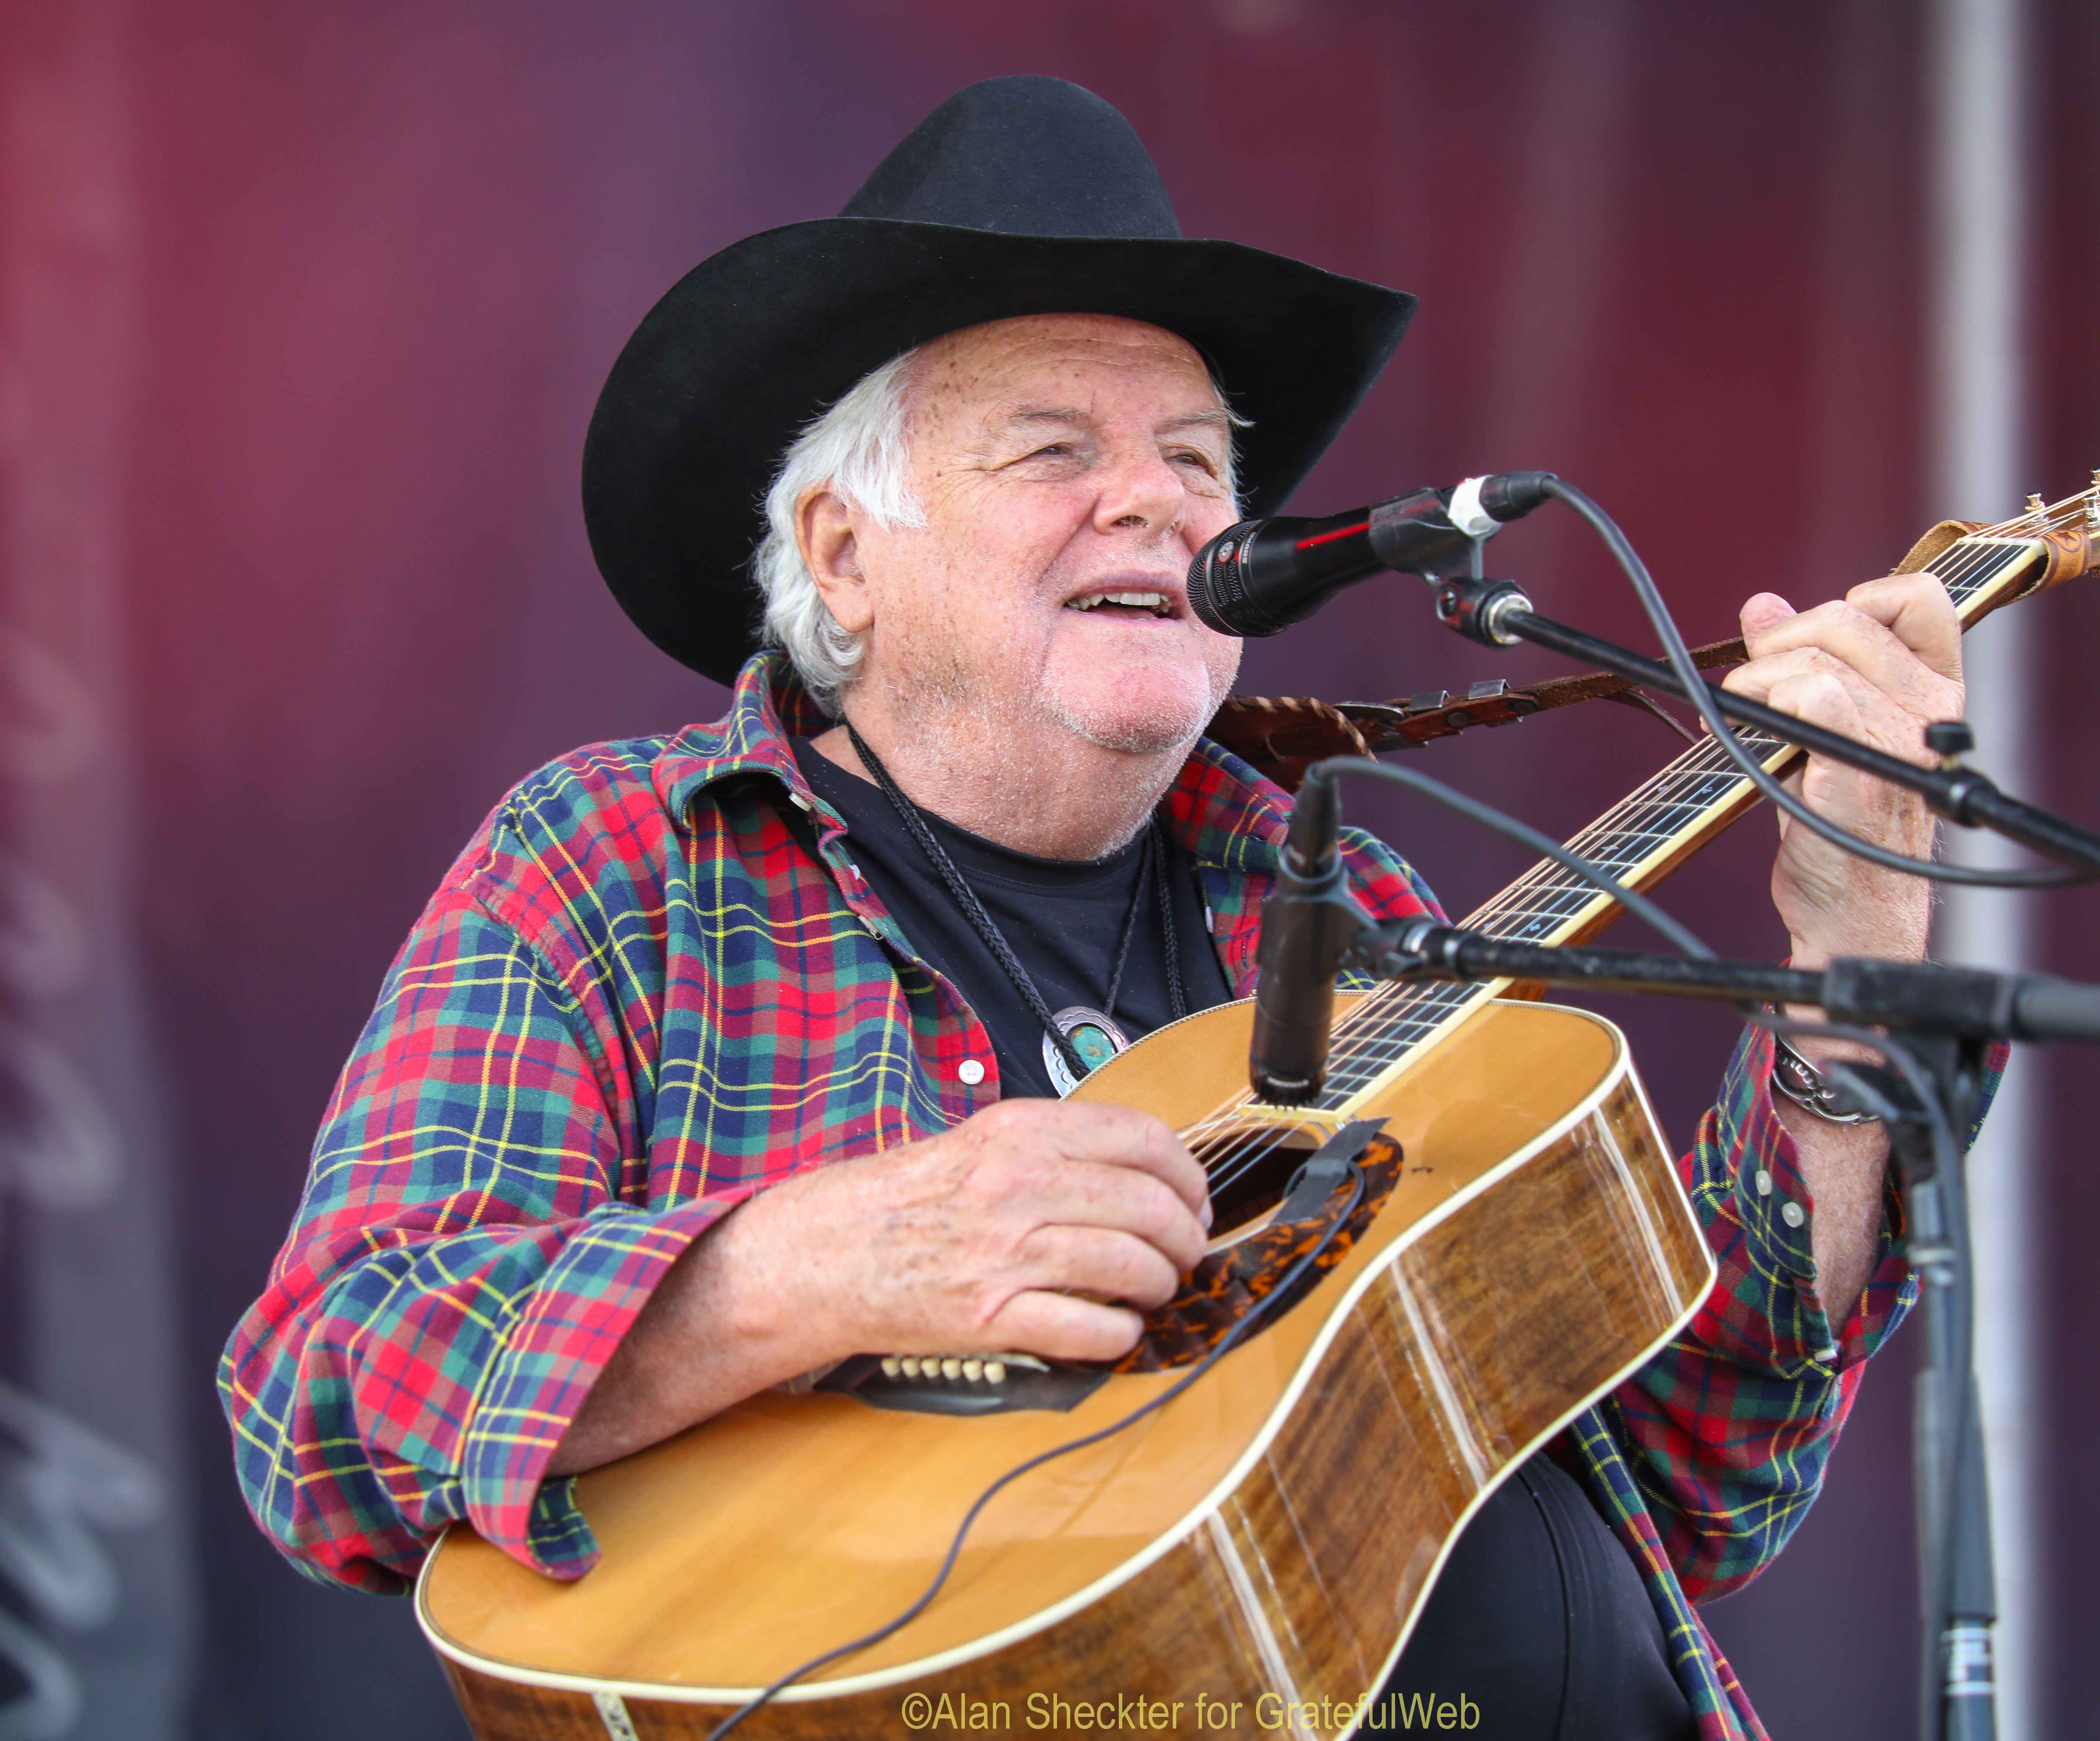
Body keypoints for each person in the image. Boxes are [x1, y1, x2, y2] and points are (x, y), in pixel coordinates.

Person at [220, 78, 1971, 1740]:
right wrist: (831, 1263)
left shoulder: (1345, 897)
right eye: (1054, 446)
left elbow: (1685, 1472)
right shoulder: (622, 864)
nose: (1156, 499)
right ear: (842, 555)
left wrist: (1841, 960)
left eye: (1201, 462)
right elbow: (325, 1393)